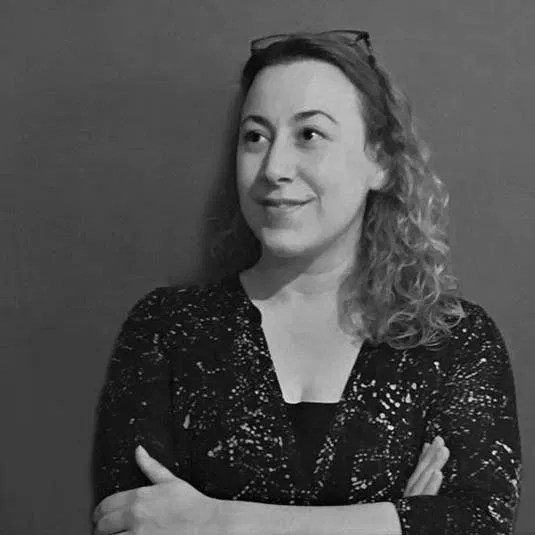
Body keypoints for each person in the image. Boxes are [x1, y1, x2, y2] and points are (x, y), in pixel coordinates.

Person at [91, 30, 522, 534]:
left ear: (381, 162)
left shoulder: (453, 340)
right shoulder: (167, 329)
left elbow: (476, 522)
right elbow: (132, 522)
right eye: (255, 137)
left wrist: (216, 520)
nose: (273, 167)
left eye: (309, 135)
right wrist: (396, 521)